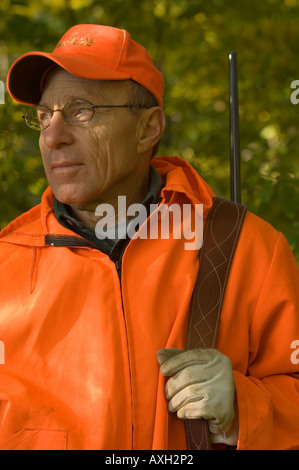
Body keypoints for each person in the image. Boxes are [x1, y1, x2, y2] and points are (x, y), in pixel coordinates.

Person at [0, 23, 298, 451]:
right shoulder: (6, 263)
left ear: (148, 128)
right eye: (44, 115)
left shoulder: (247, 247)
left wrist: (244, 408)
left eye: (82, 111)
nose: (52, 136)